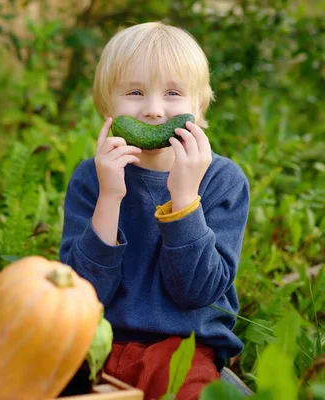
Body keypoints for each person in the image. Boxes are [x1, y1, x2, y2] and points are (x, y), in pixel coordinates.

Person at [59, 21, 250, 400]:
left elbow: (198, 291)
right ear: (106, 106)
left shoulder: (223, 181)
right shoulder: (90, 179)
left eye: (173, 93)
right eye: (135, 92)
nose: (154, 110)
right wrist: (109, 198)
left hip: (183, 349)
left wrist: (184, 198)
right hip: (98, 341)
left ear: (199, 107)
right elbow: (83, 294)